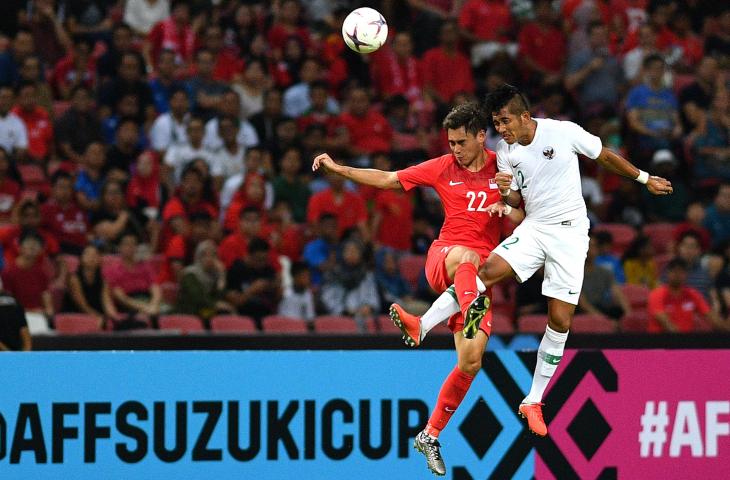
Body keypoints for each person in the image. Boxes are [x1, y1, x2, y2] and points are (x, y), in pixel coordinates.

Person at [388, 84, 673, 438]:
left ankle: (533, 399)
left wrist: (644, 178)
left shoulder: (563, 132)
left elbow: (603, 156)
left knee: (561, 319)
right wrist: (505, 195)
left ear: (524, 115)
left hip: (570, 235)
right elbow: (517, 202)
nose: (501, 131)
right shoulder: (506, 152)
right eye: (496, 124)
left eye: (505, 121)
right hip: (536, 227)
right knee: (483, 271)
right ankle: (422, 325)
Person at [312, 102, 522, 476]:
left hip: (475, 280)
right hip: (446, 258)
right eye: (450, 142)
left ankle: (429, 433)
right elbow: (389, 179)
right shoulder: (442, 167)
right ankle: (436, 319)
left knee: (471, 361)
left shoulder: (504, 165)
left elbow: (523, 216)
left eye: (460, 142)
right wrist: (339, 168)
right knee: (467, 256)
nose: (454, 149)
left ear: (480, 136)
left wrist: (507, 203)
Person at [648, 259, 728, 333]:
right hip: (659, 343)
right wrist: (682, 341)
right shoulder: (657, 294)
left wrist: (725, 329)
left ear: (686, 274)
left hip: (686, 343)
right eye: (674, 271)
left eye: (681, 272)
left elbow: (711, 316)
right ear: (668, 273)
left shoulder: (692, 294)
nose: (677, 275)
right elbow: (665, 322)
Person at [175, 240, 234, 321]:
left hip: (208, 312)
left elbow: (219, 297)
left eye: (213, 255)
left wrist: (222, 276)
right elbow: (198, 298)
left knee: (225, 313)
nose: (209, 258)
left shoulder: (214, 275)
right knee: (221, 312)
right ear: (198, 257)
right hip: (189, 312)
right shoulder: (190, 274)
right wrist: (215, 305)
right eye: (204, 255)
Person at [63, 244, 120, 327]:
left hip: (97, 313)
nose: (91, 257)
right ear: (81, 258)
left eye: (95, 254)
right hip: (76, 314)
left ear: (100, 259)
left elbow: (107, 303)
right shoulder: (74, 279)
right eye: (88, 254)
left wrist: (115, 318)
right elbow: (83, 306)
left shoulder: (103, 281)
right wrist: (99, 317)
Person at [0, 278, 31, 351]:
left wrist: (9, 353)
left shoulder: (15, 303)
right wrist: (26, 352)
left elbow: (23, 328)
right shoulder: (15, 301)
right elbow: (24, 329)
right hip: (16, 352)